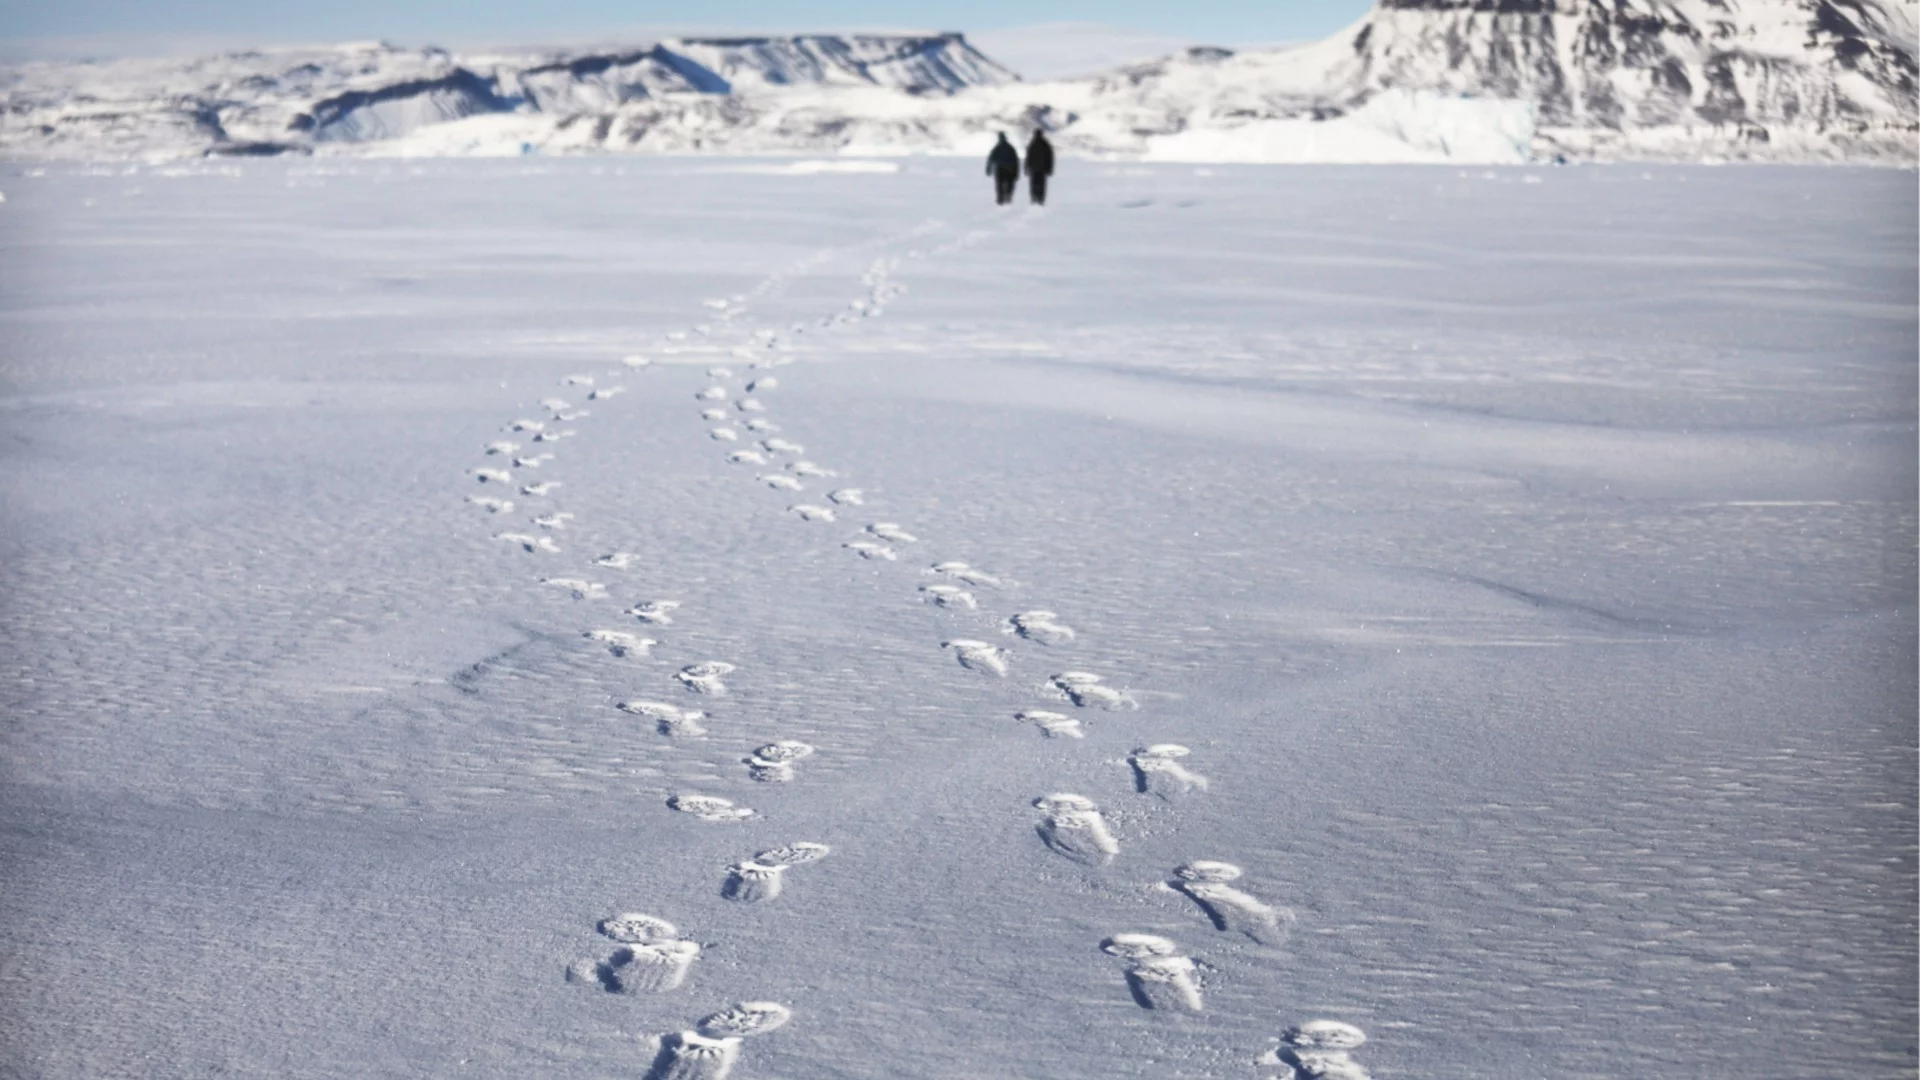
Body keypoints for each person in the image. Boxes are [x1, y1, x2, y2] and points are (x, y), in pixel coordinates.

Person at [986, 133, 1019, 206]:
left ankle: (1000, 198)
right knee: (1009, 184)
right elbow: (1015, 161)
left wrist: (989, 169)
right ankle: (1008, 196)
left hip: (1000, 169)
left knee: (999, 184)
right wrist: (1016, 172)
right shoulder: (1011, 148)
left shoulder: (997, 148)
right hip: (1009, 169)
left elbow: (991, 159)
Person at [1025, 130, 1055, 205]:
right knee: (1042, 184)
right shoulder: (1046, 144)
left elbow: (1028, 158)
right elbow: (1050, 157)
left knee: (1033, 183)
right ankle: (1040, 198)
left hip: (1034, 168)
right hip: (1043, 169)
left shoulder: (1032, 144)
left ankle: (1034, 197)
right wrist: (1050, 168)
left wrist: (1026, 168)